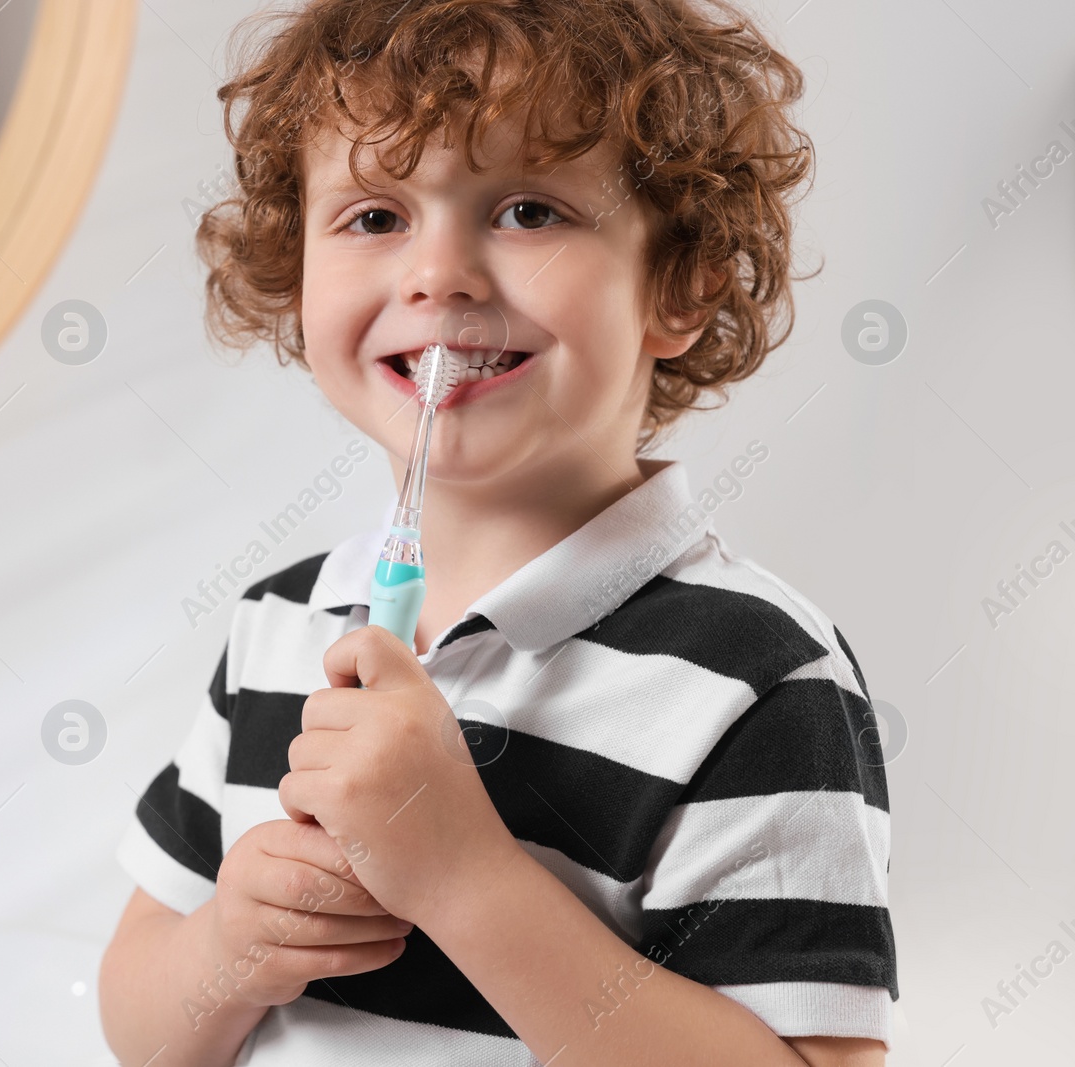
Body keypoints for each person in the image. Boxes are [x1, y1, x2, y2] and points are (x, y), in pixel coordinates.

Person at [100, 1, 896, 1064]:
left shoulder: (757, 674)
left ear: (683, 281)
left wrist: (463, 877)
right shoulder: (278, 624)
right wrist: (230, 948)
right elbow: (140, 1024)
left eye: (527, 210)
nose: (439, 276)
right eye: (375, 217)